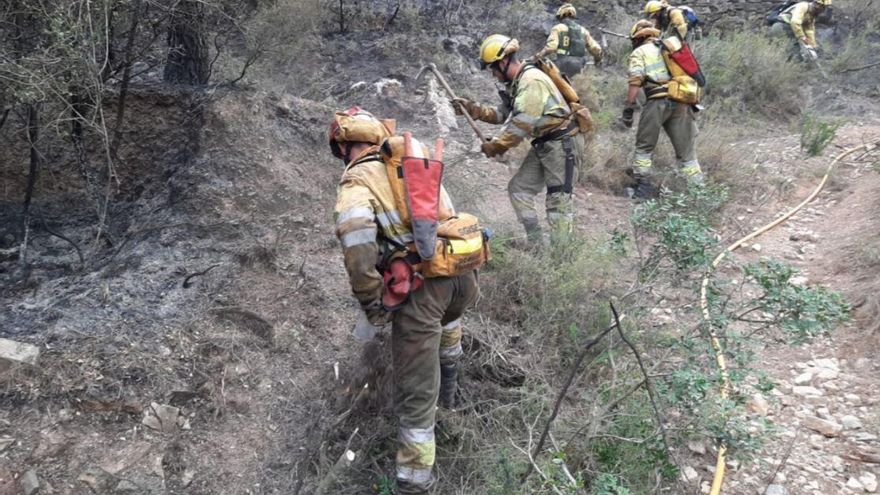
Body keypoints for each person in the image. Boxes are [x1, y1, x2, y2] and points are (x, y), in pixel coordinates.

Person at [329, 107, 480, 494]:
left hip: (423, 291)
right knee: (449, 324)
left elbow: (358, 243)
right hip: (462, 276)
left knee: (415, 398)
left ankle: (414, 482)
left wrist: (372, 302)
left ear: (345, 146)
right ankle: (452, 396)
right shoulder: (412, 161)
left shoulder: (357, 182)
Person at [453, 34, 585, 245]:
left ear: (503, 62)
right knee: (519, 189)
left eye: (493, 69)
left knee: (558, 204)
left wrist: (497, 146)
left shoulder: (531, 81)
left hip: (562, 145)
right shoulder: (516, 84)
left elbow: (522, 124)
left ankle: (562, 261)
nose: (493, 75)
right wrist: (472, 109)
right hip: (544, 144)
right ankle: (535, 242)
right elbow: (500, 114)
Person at [622, 20, 703, 198]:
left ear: (637, 38)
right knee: (687, 153)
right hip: (682, 101)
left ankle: (643, 189)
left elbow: (635, 82)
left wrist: (628, 108)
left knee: (644, 147)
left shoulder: (639, 52)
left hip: (657, 102)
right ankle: (698, 192)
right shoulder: (669, 47)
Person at [533, 3, 603, 78]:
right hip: (579, 65)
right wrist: (597, 61)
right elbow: (597, 49)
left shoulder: (558, 28)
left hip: (562, 65)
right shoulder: (583, 30)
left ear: (561, 16)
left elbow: (551, 48)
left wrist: (539, 56)